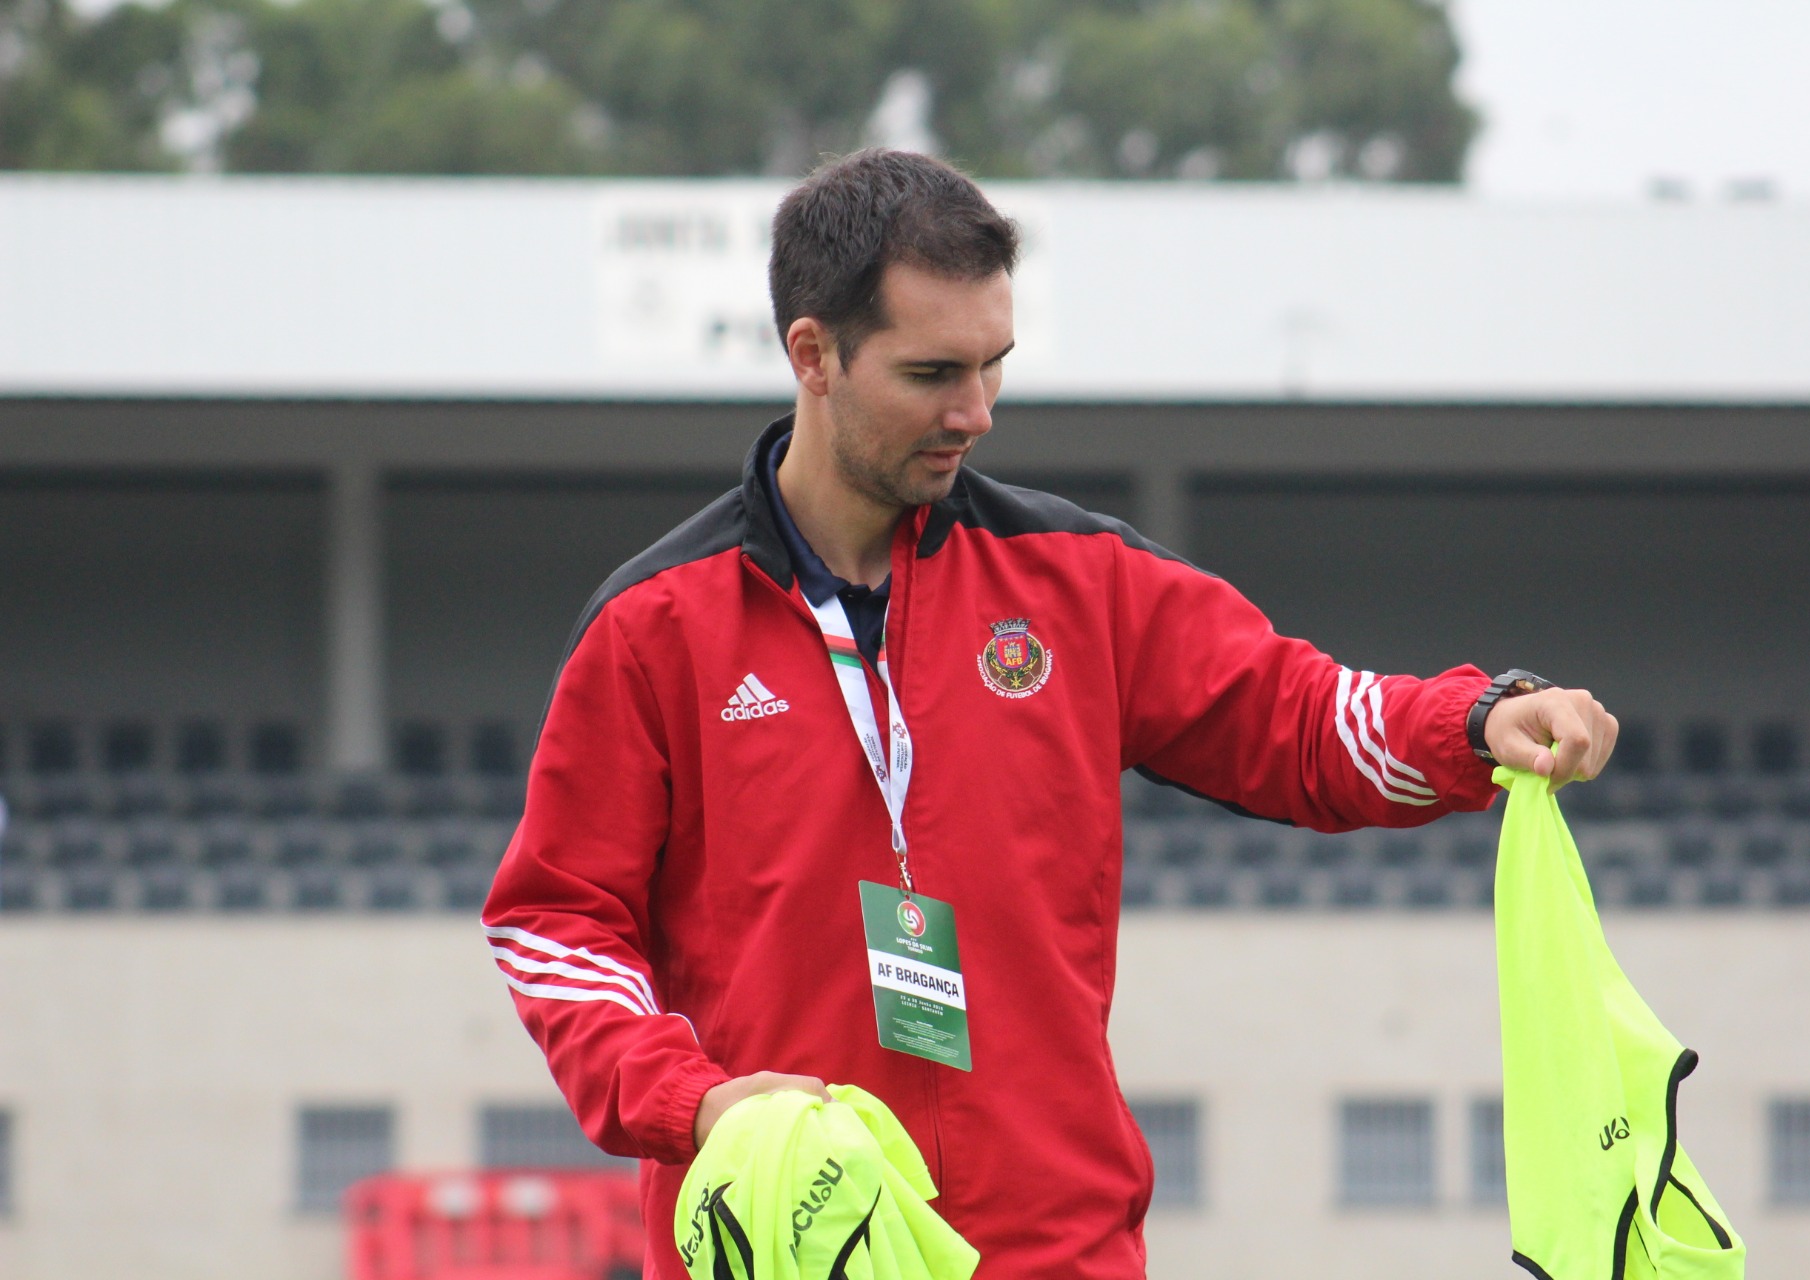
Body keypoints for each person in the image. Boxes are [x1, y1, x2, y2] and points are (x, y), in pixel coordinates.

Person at [482, 148, 1617, 1280]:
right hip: (790, 1250)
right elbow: (555, 921)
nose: (975, 412)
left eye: (995, 366)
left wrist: (1479, 721)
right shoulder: (652, 626)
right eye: (932, 373)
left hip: (1054, 1251)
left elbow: (1301, 716)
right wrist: (695, 1096)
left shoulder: (1079, 581)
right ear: (813, 355)